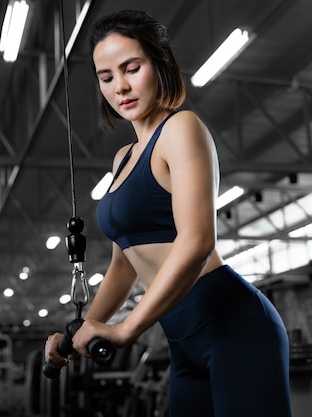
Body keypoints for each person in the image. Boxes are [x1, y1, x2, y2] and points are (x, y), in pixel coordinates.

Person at [44, 10, 292, 417]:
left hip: (234, 327)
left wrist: (126, 328)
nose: (120, 86)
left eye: (131, 68)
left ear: (160, 63)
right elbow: (123, 266)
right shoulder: (122, 159)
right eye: (106, 77)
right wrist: (80, 332)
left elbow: (196, 243)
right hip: (182, 341)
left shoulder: (181, 128)